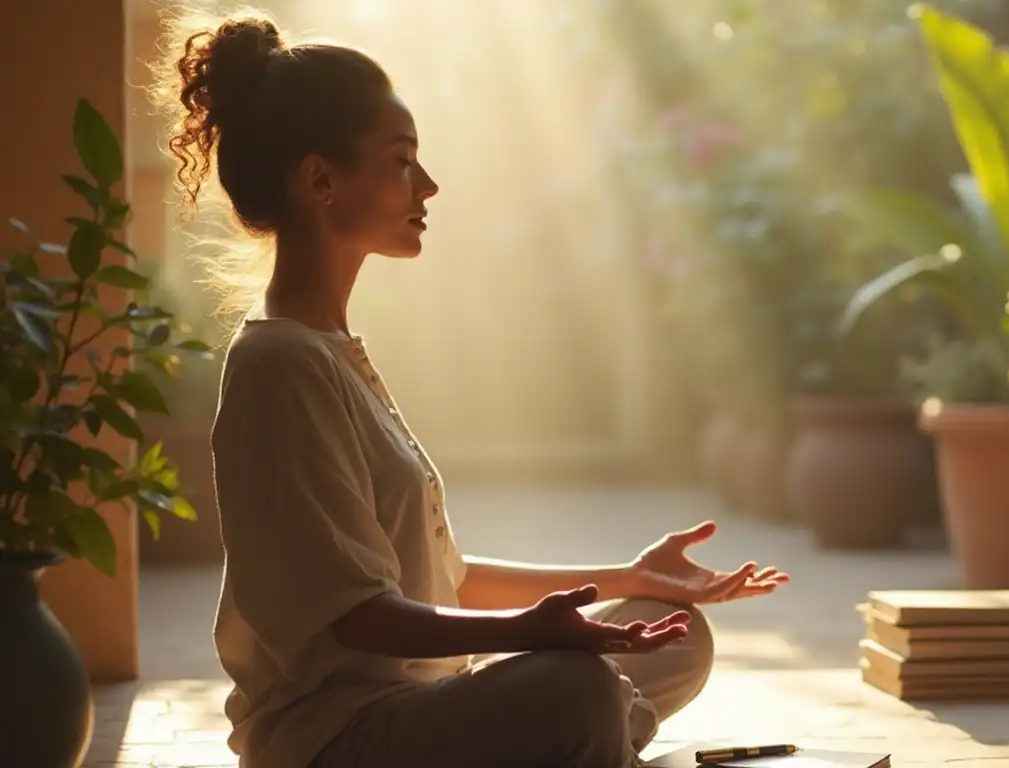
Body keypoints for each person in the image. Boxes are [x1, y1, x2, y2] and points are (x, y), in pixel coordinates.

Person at [148, 8, 790, 768]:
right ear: (320, 178)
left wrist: (629, 577)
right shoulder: (281, 366)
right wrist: (530, 635)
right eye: (400, 160)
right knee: (572, 689)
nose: (428, 184)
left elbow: (449, 580)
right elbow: (360, 618)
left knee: (673, 629)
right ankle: (602, 726)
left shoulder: (330, 350)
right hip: (339, 737)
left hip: (426, 702)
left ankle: (604, 729)